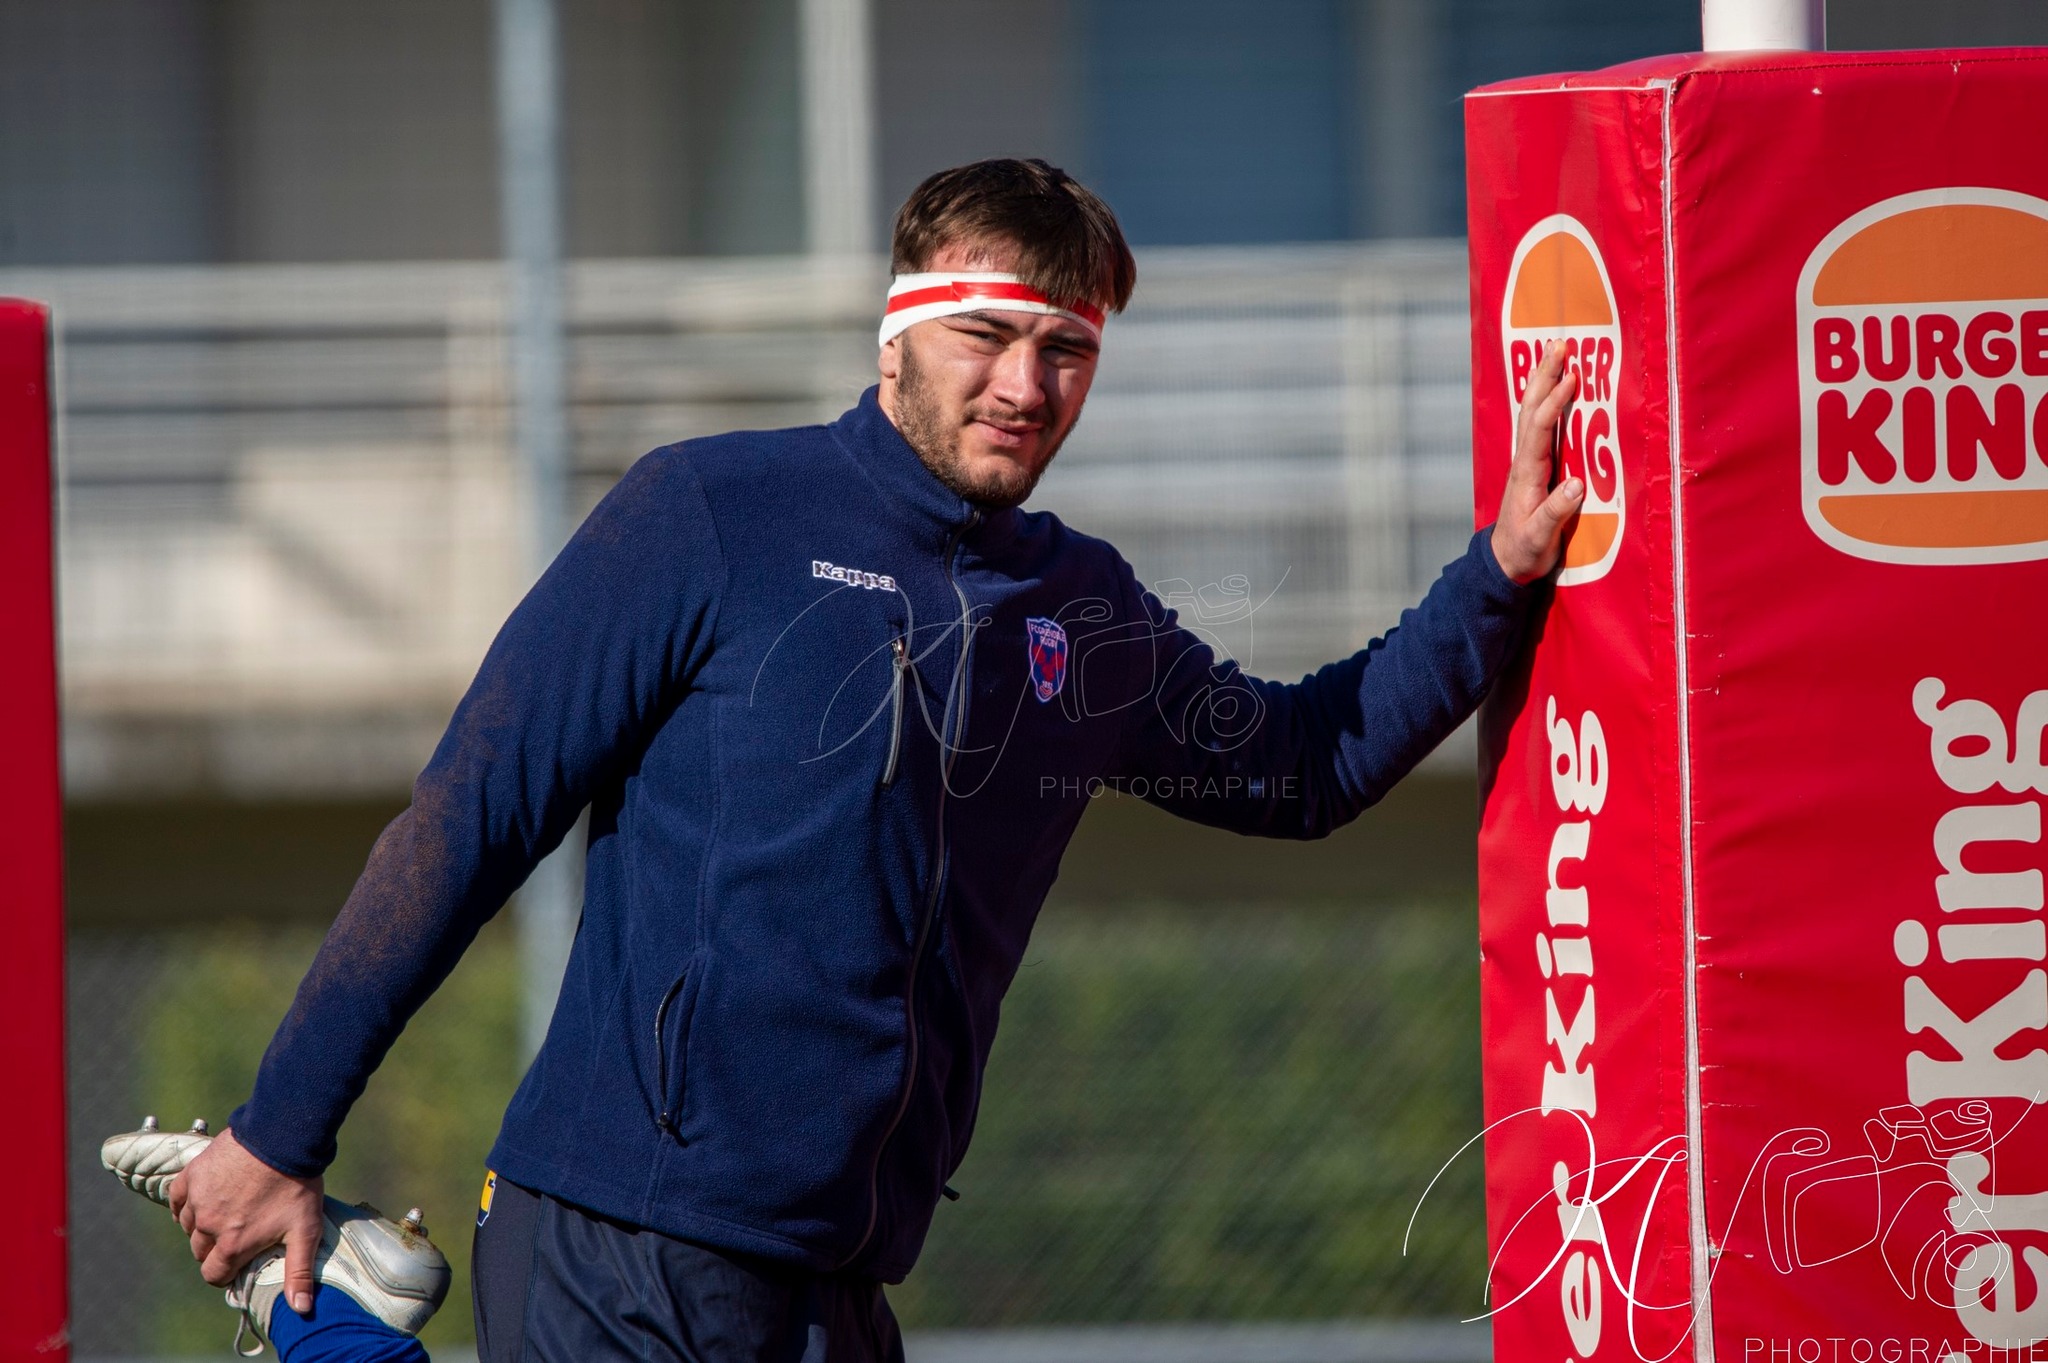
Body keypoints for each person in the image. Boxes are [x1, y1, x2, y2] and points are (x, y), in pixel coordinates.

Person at [162, 157, 1585, 1361]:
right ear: (894, 333)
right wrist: (281, 1133)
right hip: (624, 1250)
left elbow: (1301, 765)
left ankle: (352, 1331)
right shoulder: (709, 513)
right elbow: (467, 820)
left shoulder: (1079, 607)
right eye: (985, 333)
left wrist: (1502, 571)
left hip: (843, 1285)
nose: (1026, 383)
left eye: (1067, 349)